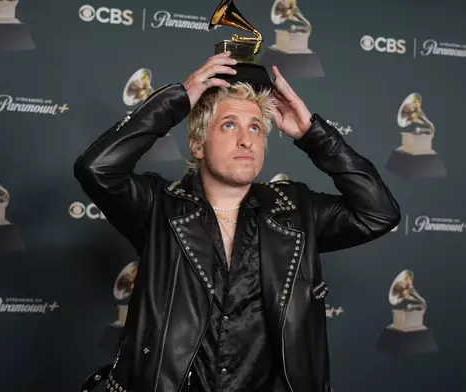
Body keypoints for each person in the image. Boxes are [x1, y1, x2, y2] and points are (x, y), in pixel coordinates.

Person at [74, 51, 401, 392]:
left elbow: (379, 213)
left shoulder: (297, 213)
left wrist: (313, 135)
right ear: (198, 144)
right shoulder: (158, 208)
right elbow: (96, 168)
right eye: (229, 124)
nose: (246, 139)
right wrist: (177, 101)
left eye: (255, 127)